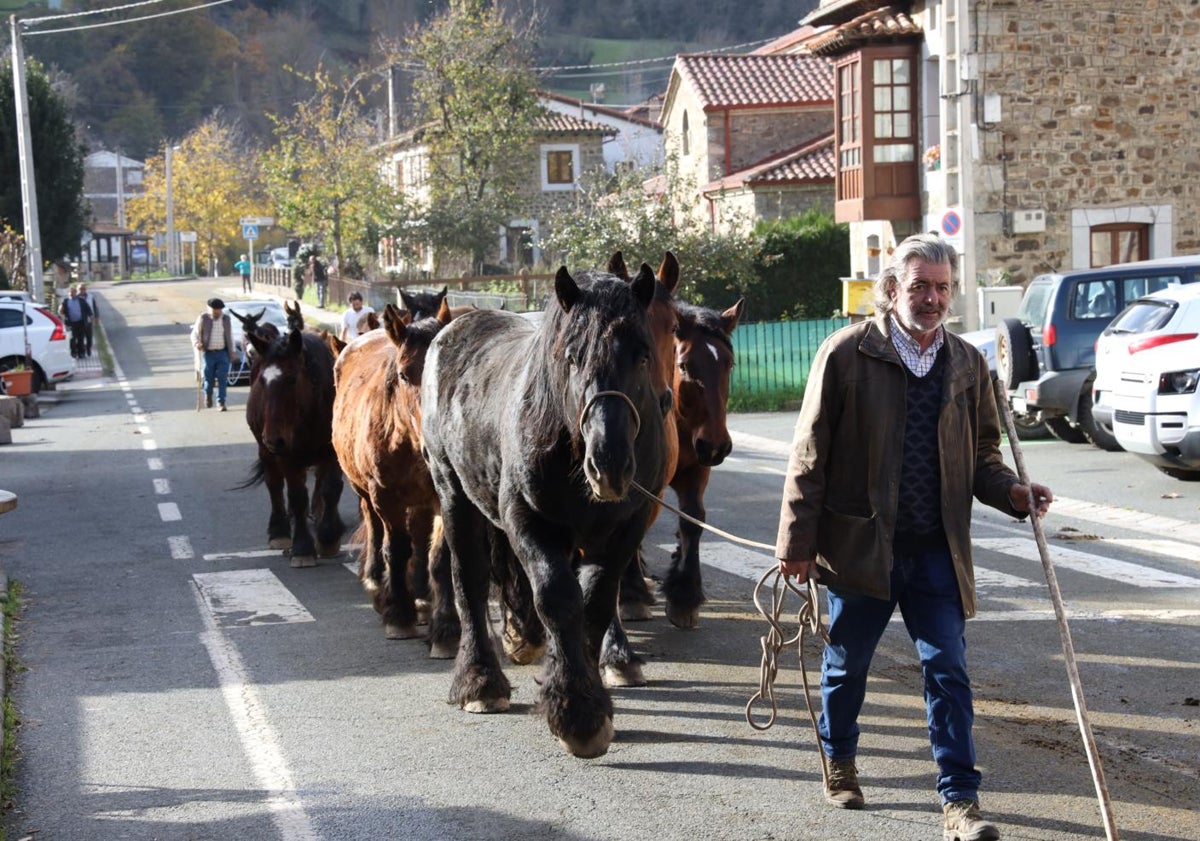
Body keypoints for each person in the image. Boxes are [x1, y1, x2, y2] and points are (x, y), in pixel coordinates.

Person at [775, 234, 1053, 841]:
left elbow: (982, 455)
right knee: (847, 667)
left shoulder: (967, 363)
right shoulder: (846, 354)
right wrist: (796, 542)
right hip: (861, 547)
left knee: (947, 670)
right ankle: (841, 761)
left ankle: (960, 801)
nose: (933, 299)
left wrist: (1011, 492)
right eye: (921, 286)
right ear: (893, 288)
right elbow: (809, 455)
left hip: (936, 550)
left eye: (943, 287)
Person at [190, 297, 235, 411]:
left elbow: (231, 337)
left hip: (223, 353)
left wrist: (232, 351)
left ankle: (221, 402)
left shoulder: (226, 319)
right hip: (208, 354)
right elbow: (194, 335)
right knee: (208, 379)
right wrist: (197, 343)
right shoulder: (203, 319)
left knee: (222, 379)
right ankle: (208, 394)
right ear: (209, 309)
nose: (217, 312)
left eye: (219, 310)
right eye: (215, 310)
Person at [58, 285, 93, 359]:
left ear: (76, 293)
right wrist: (62, 315)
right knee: (72, 339)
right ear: (68, 293)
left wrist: (90, 316)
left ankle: (81, 353)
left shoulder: (81, 300)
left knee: (81, 338)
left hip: (81, 322)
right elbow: (61, 311)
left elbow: (88, 309)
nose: (71, 294)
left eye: (73, 292)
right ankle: (74, 353)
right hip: (71, 323)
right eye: (70, 292)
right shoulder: (66, 301)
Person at [78, 283, 98, 357]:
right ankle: (82, 351)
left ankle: (88, 348)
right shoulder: (75, 297)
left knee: (89, 337)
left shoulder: (90, 297)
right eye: (80, 289)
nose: (82, 290)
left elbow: (95, 307)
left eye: (83, 289)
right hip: (79, 321)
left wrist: (96, 317)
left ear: (86, 290)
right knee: (80, 337)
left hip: (89, 320)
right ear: (78, 290)